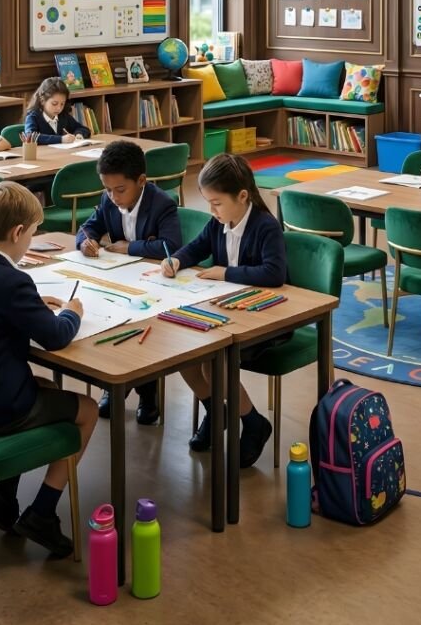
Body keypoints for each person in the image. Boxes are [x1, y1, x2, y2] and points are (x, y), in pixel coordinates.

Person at [0, 182, 97, 558]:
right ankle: (42, 511)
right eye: (32, 233)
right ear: (17, 233)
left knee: (46, 386)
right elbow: (56, 337)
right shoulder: (13, 281)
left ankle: (3, 497)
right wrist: (71, 312)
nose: (31, 240)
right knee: (89, 410)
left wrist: (31, 305)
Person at [162, 153, 286, 468]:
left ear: (242, 196)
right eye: (209, 203)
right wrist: (176, 260)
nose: (212, 211)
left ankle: (253, 421)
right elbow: (197, 247)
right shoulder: (219, 223)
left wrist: (226, 273)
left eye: (216, 203)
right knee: (184, 355)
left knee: (211, 362)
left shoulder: (265, 226)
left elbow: (274, 273)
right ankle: (216, 410)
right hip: (227, 312)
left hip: (264, 320)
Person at [75, 140, 181, 425]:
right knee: (108, 322)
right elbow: (88, 227)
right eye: (107, 189)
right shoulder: (108, 200)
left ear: (141, 181)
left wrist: (130, 247)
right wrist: (86, 242)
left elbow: (171, 245)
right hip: (120, 279)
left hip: (156, 286)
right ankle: (114, 386)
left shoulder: (162, 203)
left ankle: (148, 393)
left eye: (120, 190)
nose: (113, 196)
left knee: (145, 330)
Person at [24, 76, 91, 145]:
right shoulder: (33, 116)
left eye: (62, 104)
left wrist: (79, 134)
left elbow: (84, 129)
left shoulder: (63, 116)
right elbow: (30, 136)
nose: (59, 108)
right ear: (42, 101)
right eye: (54, 103)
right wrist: (61, 139)